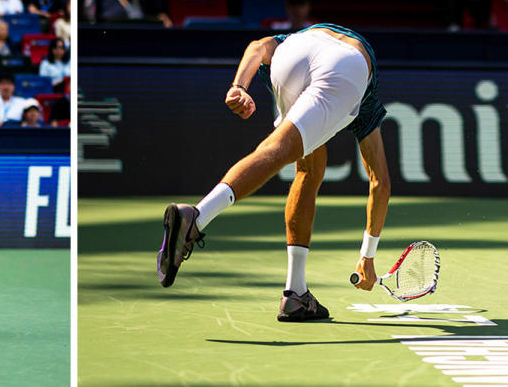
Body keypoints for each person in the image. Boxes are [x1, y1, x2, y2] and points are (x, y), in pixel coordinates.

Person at [155, 23, 391, 323]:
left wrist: (238, 86)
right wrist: (367, 257)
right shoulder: (365, 100)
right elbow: (380, 183)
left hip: (293, 53)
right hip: (346, 66)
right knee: (277, 150)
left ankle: (296, 293)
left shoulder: (299, 36)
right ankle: (196, 217)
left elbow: (258, 47)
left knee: (309, 166)